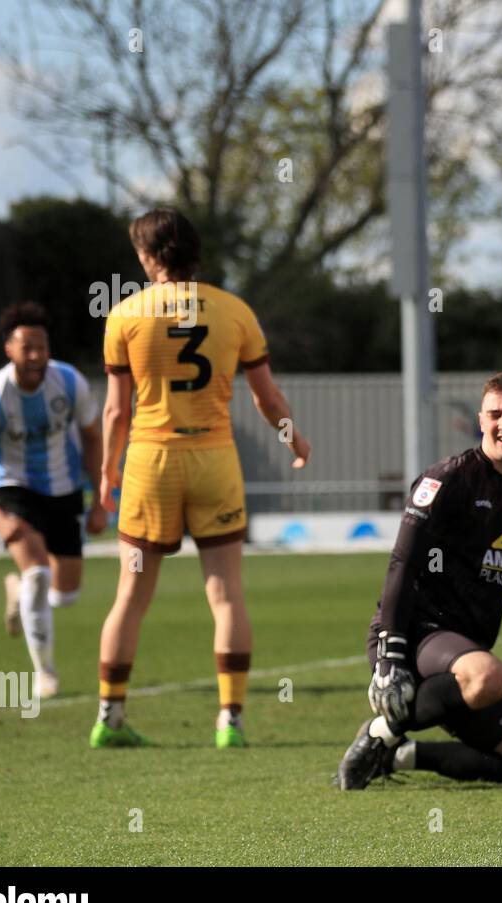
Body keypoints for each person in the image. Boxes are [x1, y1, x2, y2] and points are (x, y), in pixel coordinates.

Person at [92, 208, 310, 749]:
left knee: (130, 596)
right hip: (214, 459)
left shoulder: (126, 315)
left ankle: (109, 718)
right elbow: (267, 397)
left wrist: (107, 469)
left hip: (150, 462)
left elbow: (117, 412)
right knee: (227, 594)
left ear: (147, 257)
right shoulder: (235, 311)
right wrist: (292, 439)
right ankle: (230, 722)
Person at [336, 369, 502, 789]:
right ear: (481, 421)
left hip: (464, 666)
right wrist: (390, 653)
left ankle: (397, 753)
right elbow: (402, 563)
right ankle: (382, 733)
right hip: (414, 636)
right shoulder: (447, 480)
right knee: (490, 676)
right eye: (496, 414)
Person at [0, 302, 108, 698]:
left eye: (42, 346)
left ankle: (19, 591)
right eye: (27, 347)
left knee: (66, 594)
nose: (37, 355)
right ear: (8, 349)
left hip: (63, 488)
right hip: (13, 487)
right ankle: (45, 673)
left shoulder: (70, 382)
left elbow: (94, 438)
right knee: (39, 573)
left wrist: (100, 500)